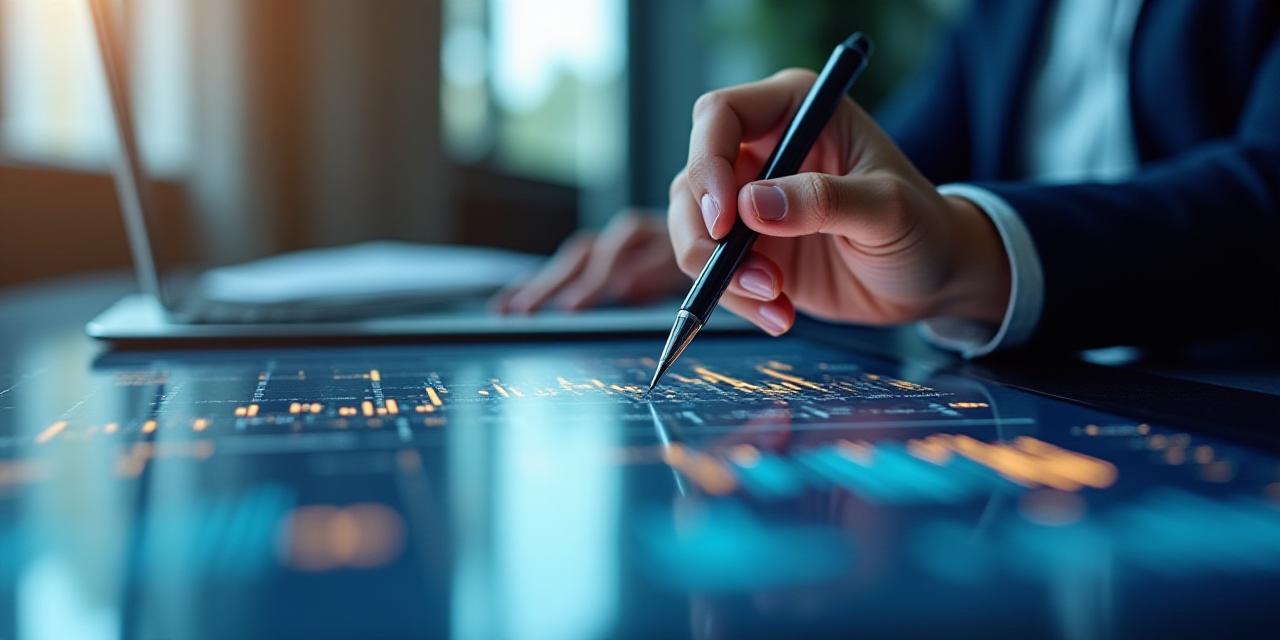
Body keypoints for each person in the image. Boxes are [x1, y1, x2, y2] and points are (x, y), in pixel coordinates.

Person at [494, 0, 1280, 355]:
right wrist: (739, 238)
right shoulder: (1002, 14)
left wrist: (971, 253)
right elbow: (878, 168)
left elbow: (1266, 196)